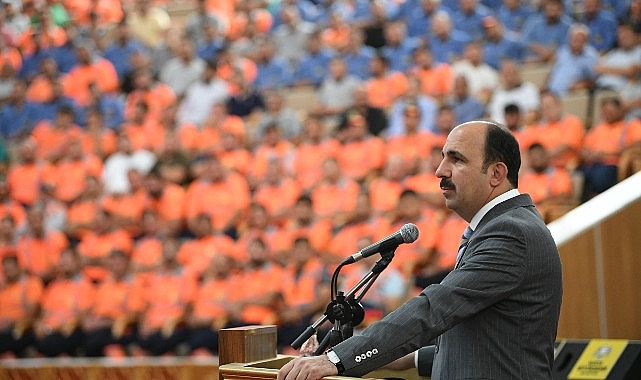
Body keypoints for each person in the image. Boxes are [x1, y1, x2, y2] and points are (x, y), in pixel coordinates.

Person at [277, 120, 563, 379]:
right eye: (443, 158)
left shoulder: (511, 233)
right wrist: (406, 357)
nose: (440, 171)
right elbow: (484, 342)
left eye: (457, 159)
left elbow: (434, 308)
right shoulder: (499, 226)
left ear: (496, 173)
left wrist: (337, 360)